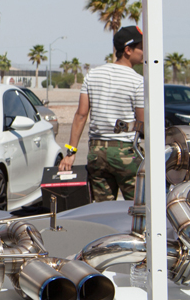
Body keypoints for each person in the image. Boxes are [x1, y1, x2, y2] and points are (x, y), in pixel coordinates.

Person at [59, 26, 145, 200]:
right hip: (125, 152)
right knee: (139, 206)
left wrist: (71, 153)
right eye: (141, 47)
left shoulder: (93, 75)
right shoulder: (137, 81)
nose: (144, 52)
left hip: (97, 153)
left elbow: (81, 115)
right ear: (128, 50)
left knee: (103, 208)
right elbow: (142, 123)